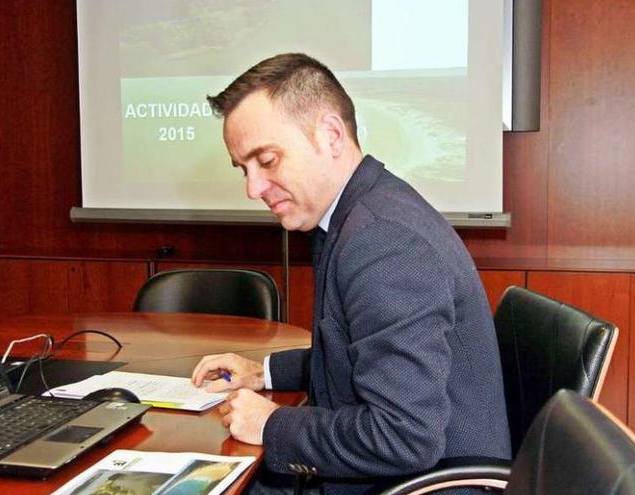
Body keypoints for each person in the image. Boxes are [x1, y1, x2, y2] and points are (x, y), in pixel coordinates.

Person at [191, 53, 510, 494]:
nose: (253, 188)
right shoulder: (361, 214)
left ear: (331, 135)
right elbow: (360, 358)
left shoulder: (383, 243)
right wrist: (263, 373)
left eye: (266, 160)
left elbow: (404, 436)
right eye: (243, 169)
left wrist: (273, 425)